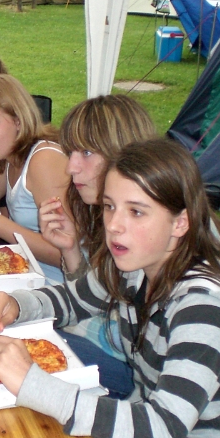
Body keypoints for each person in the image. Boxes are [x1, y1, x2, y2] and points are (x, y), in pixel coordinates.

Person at [0, 138, 220, 438]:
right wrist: (14, 305)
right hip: (137, 426)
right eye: (110, 206)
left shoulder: (206, 307)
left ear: (180, 222)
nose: (113, 225)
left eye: (136, 211)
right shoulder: (138, 262)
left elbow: (161, 434)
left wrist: (32, 384)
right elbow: (72, 299)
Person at [38, 95, 157, 398]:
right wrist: (70, 250)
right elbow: (94, 297)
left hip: (140, 381)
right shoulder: (108, 212)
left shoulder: (153, 231)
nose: (71, 167)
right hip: (121, 355)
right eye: (71, 152)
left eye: (87, 152)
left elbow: (123, 339)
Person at [0, 74, 70, 283]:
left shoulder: (43, 161)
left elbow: (65, 254)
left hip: (57, 286)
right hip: (25, 273)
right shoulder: (12, 158)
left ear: (18, 122)